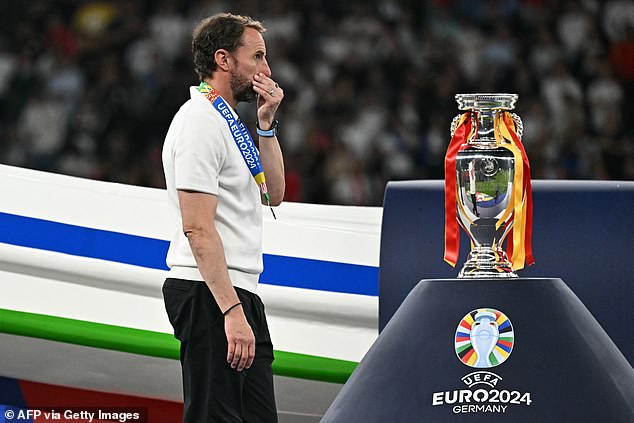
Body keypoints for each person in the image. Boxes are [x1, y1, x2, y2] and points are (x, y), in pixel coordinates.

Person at [161, 13, 285, 422]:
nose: (267, 70)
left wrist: (265, 125)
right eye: (258, 57)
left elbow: (277, 194)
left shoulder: (228, 124)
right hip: (210, 293)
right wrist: (231, 311)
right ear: (224, 59)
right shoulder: (199, 121)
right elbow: (196, 226)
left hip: (235, 291)